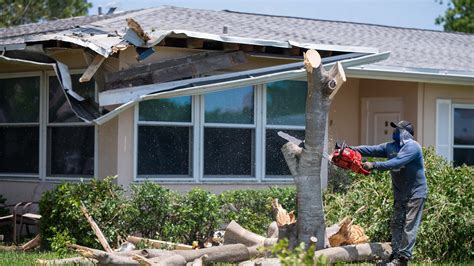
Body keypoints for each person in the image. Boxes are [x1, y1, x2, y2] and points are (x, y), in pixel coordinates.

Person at [352, 120, 427, 266]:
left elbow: (397, 163)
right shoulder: (391, 147)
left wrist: (374, 165)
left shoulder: (413, 147)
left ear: (406, 133)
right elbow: (370, 150)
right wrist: (349, 149)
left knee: (409, 226)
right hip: (400, 194)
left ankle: (403, 259)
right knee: (396, 224)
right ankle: (395, 255)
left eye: (398, 130)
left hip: (415, 193)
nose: (394, 132)